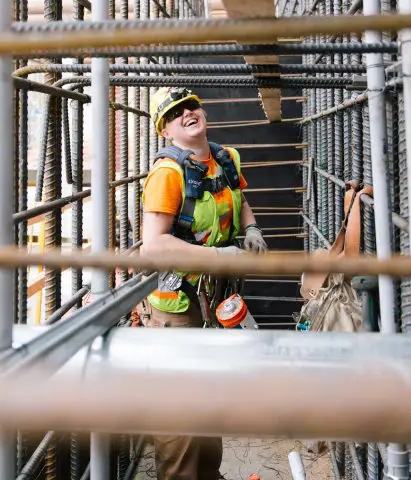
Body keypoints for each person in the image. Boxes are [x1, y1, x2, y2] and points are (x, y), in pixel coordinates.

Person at [140, 87, 267, 480]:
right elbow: (154, 244)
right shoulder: (168, 173)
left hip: (214, 296)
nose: (188, 113)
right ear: (166, 131)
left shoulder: (226, 159)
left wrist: (251, 227)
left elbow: (240, 199)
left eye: (191, 106)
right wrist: (217, 256)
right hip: (177, 301)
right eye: (176, 113)